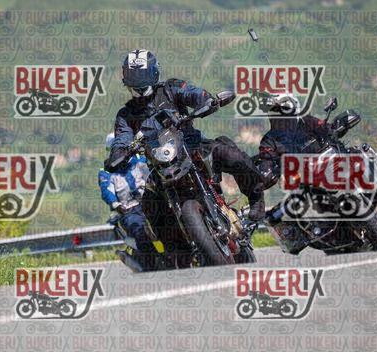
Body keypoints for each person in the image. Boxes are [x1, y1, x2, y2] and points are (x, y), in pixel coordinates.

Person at [105, 49, 266, 223]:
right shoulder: (125, 115)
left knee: (230, 155)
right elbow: (122, 138)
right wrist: (118, 153)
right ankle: (174, 241)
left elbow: (193, 93)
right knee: (150, 206)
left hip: (193, 146)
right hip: (159, 163)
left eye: (143, 74)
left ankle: (256, 197)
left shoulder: (170, 88)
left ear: (154, 72)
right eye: (134, 75)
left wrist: (205, 100)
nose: (139, 80)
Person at [98, 134, 155, 271]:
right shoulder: (106, 172)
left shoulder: (140, 160)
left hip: (150, 202)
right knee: (139, 231)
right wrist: (116, 204)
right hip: (129, 210)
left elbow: (152, 175)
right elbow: (107, 191)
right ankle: (149, 264)